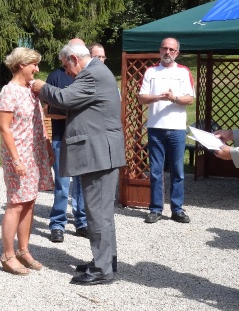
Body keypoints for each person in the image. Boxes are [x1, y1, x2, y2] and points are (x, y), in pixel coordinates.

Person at [32, 42, 125, 285]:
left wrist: (40, 86)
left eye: (66, 66)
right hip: (100, 152)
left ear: (74, 59)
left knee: (97, 213)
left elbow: (64, 98)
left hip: (98, 154)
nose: (68, 72)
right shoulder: (97, 72)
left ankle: (102, 270)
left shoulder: (92, 74)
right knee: (102, 213)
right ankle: (105, 260)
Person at [0, 47, 54, 276]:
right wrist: (16, 159)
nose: (37, 69)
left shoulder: (31, 90)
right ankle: (8, 254)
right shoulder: (9, 91)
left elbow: (41, 120)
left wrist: (47, 146)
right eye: (34, 65)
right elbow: (4, 127)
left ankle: (23, 250)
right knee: (16, 203)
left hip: (34, 153)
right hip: (17, 154)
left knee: (30, 201)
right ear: (21, 65)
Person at [138, 37, 195, 224]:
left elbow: (190, 99)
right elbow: (141, 98)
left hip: (177, 127)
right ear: (160, 50)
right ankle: (155, 209)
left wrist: (174, 98)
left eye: (171, 49)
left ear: (177, 53)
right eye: (164, 48)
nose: (167, 52)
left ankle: (177, 209)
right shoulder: (151, 71)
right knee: (155, 170)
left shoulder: (183, 72)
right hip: (156, 127)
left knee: (178, 171)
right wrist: (158, 97)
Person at [47, 47, 88, 243]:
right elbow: (50, 111)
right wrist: (73, 112)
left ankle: (81, 221)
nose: (68, 69)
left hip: (81, 138)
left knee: (81, 182)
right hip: (60, 137)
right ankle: (57, 224)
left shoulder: (86, 77)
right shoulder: (55, 77)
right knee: (62, 184)